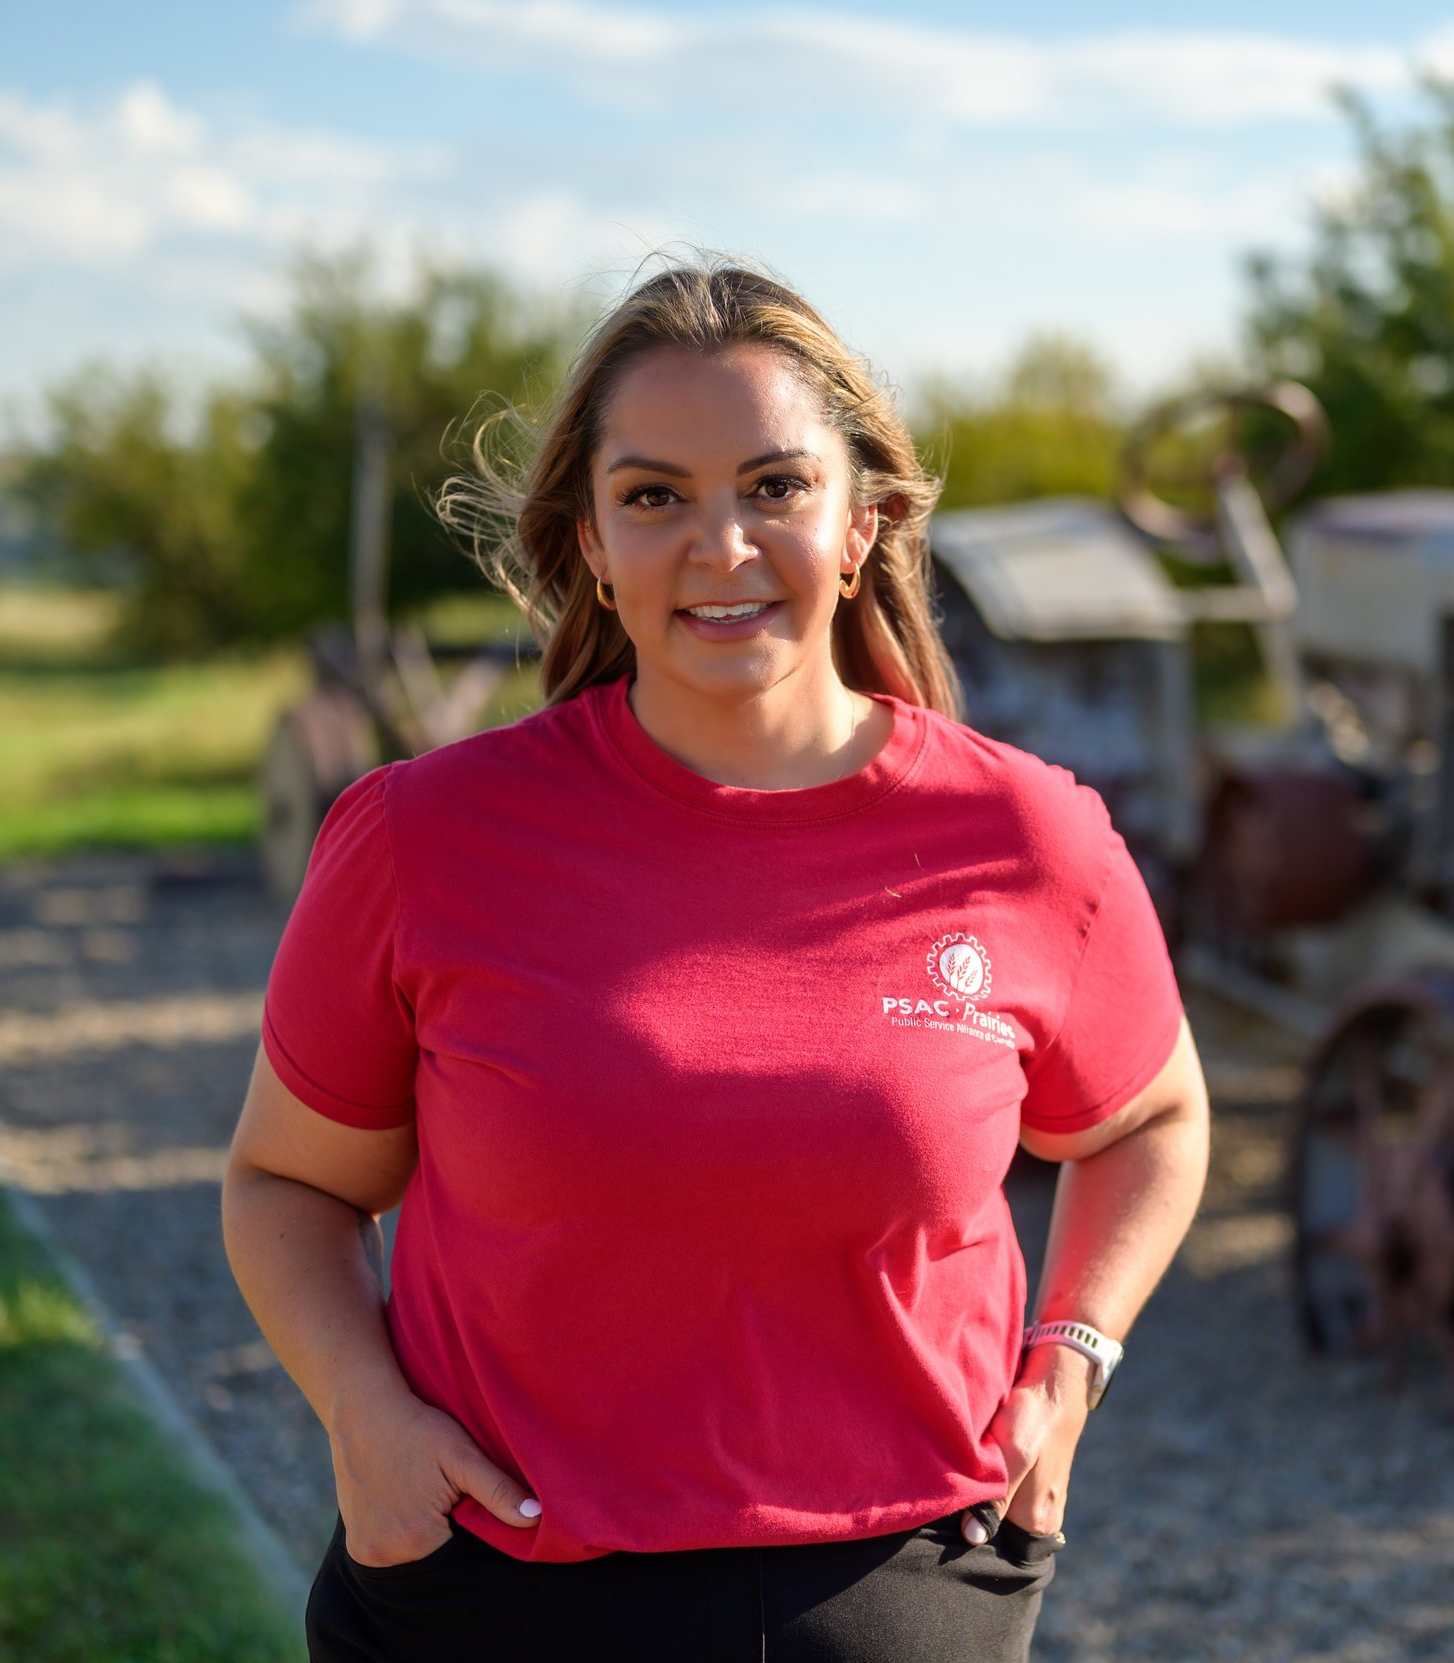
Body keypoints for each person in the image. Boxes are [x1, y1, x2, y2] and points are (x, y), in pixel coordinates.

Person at [220, 258, 1211, 1662]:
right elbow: (284, 1184)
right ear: (590, 541)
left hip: (901, 1584)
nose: (721, 544)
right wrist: (367, 1421)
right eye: (654, 496)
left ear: (859, 524)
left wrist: (1074, 1361)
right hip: (500, 1590)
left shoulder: (1026, 833)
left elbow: (1153, 1117)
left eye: (773, 486)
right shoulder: (425, 836)